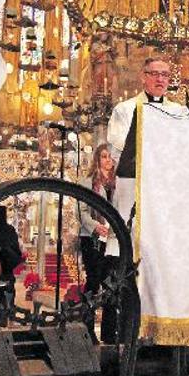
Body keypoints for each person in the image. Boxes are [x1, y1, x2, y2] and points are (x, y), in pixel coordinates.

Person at [106, 57, 178, 224]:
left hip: (166, 186)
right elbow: (116, 146)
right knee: (131, 234)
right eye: (154, 74)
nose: (160, 79)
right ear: (143, 77)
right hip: (133, 184)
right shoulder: (124, 109)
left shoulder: (178, 112)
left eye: (165, 75)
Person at [77, 143, 114, 342]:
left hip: (111, 240)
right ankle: (87, 328)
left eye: (110, 157)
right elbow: (82, 212)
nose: (108, 161)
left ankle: (109, 333)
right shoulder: (88, 182)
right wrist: (95, 226)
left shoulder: (116, 184)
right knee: (94, 282)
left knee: (110, 284)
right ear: (97, 160)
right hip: (92, 238)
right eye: (104, 157)